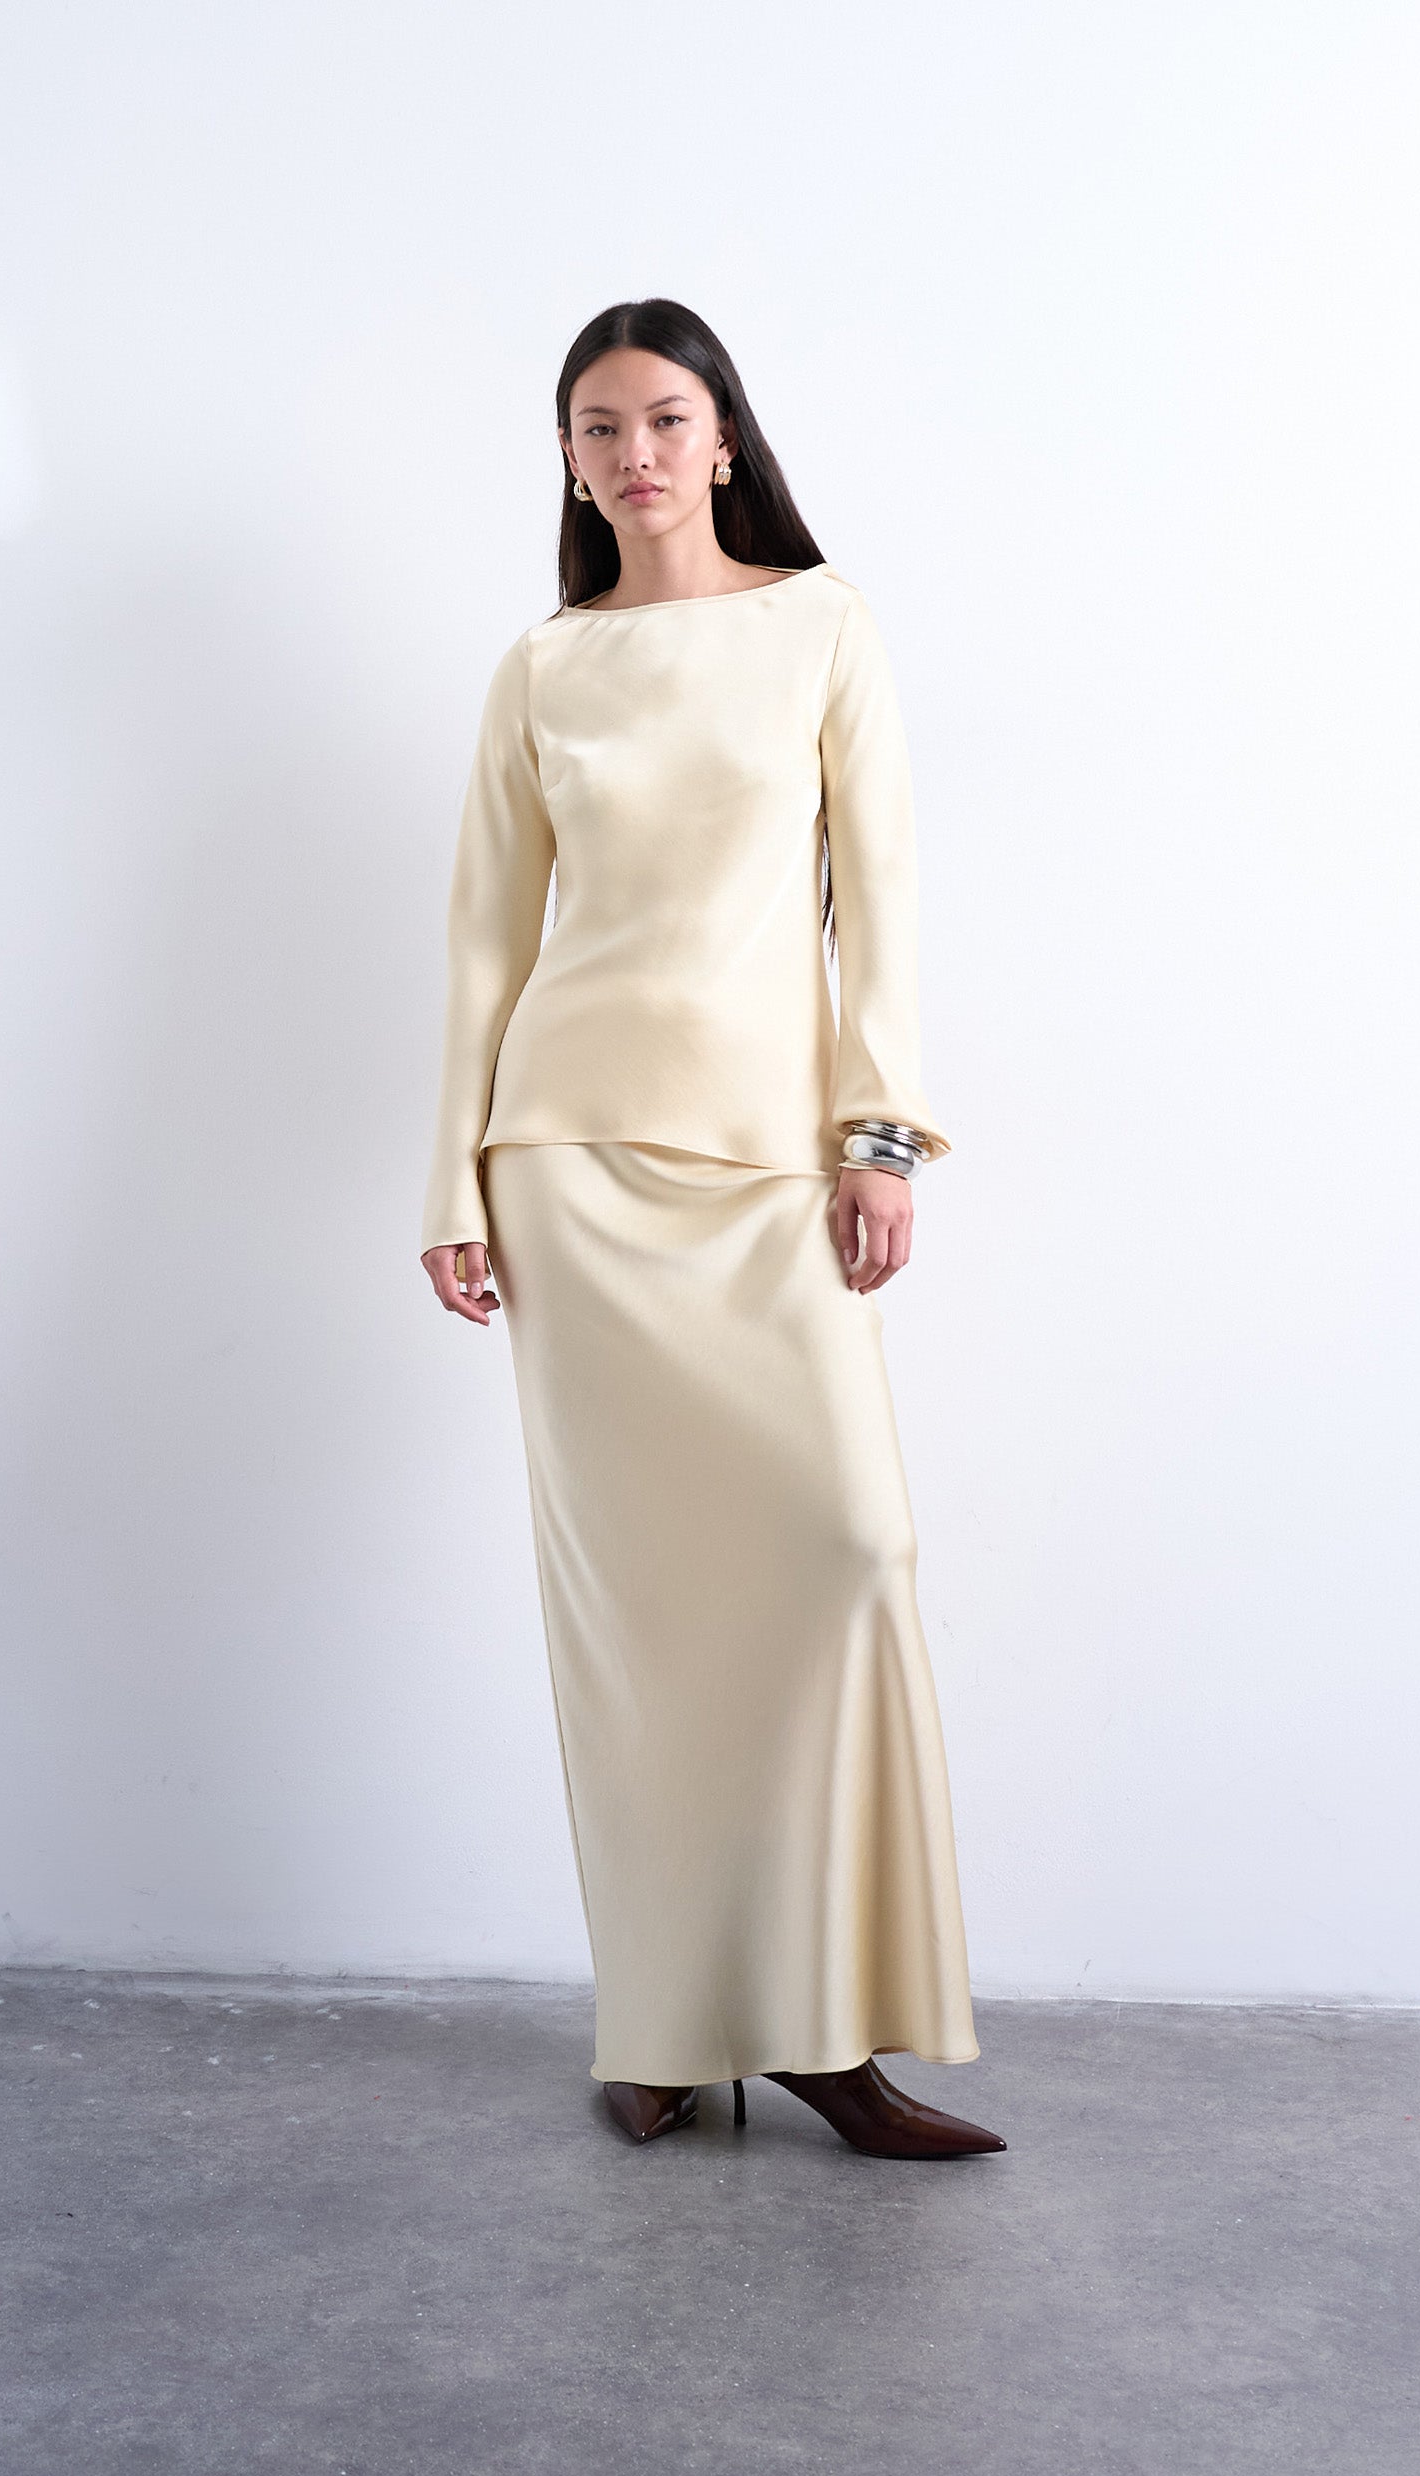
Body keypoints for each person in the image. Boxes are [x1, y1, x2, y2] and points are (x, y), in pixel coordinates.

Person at [419, 298, 1005, 2161]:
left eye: (665, 418)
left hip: (767, 1169)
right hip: (569, 1169)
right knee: (636, 1622)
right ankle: (667, 2020)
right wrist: (451, 1179)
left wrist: (881, 1137)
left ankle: (825, 2027)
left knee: (848, 1549)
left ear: (725, 435)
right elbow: (487, 944)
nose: (636, 453)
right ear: (570, 459)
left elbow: (880, 901)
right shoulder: (543, 668)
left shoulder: (822, 624)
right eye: (599, 428)